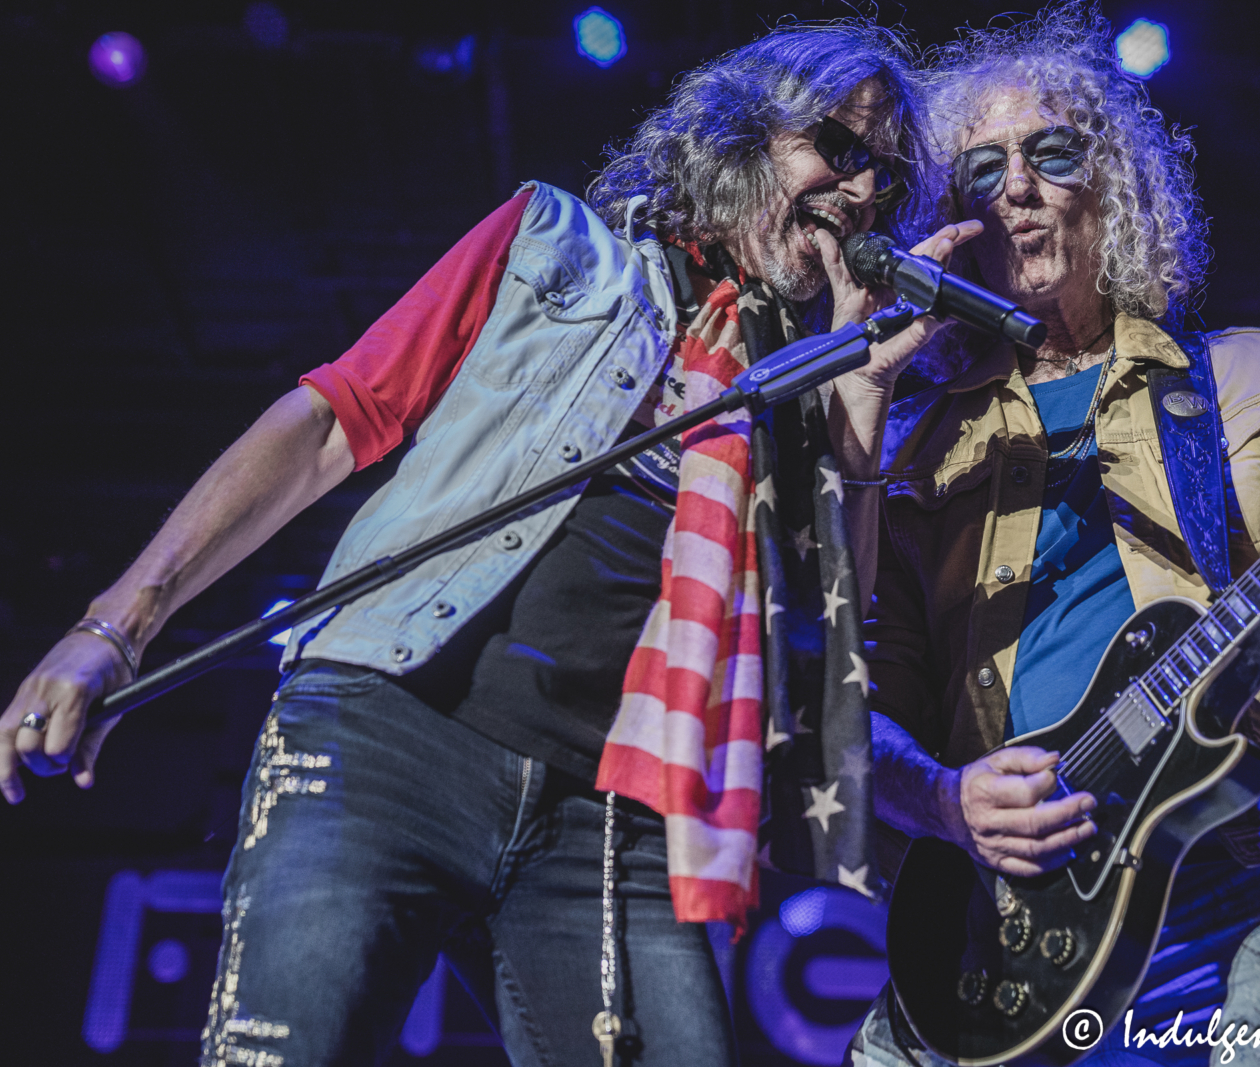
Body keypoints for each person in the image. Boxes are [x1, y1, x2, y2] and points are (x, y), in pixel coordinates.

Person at [0, 23, 971, 1067]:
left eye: (888, 173)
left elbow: (827, 648)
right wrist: (116, 625)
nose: (863, 191)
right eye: (841, 145)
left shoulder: (804, 384)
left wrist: (861, 389)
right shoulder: (554, 243)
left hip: (617, 813)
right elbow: (332, 422)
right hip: (391, 736)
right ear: (748, 131)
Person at [845, 5, 1260, 1065]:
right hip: (1026, 912)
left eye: (1051, 153)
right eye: (981, 166)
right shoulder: (914, 437)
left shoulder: (1251, 370)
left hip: (1256, 856)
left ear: (1114, 186)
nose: (1016, 185)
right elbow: (857, 701)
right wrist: (946, 798)